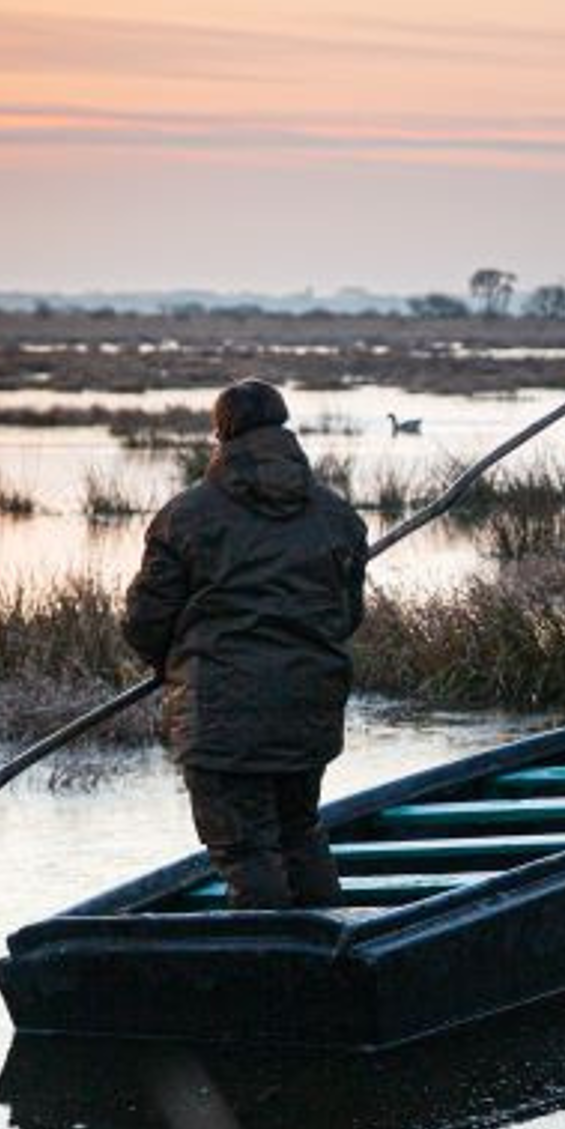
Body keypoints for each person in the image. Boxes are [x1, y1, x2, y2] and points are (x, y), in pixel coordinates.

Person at [123, 380, 369, 909]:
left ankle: (273, 971)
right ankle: (331, 958)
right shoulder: (338, 517)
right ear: (283, 427)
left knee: (244, 849)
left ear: (220, 432)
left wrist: (170, 664)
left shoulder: (184, 516)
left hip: (220, 711)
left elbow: (146, 620)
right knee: (300, 833)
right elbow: (346, 616)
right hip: (310, 705)